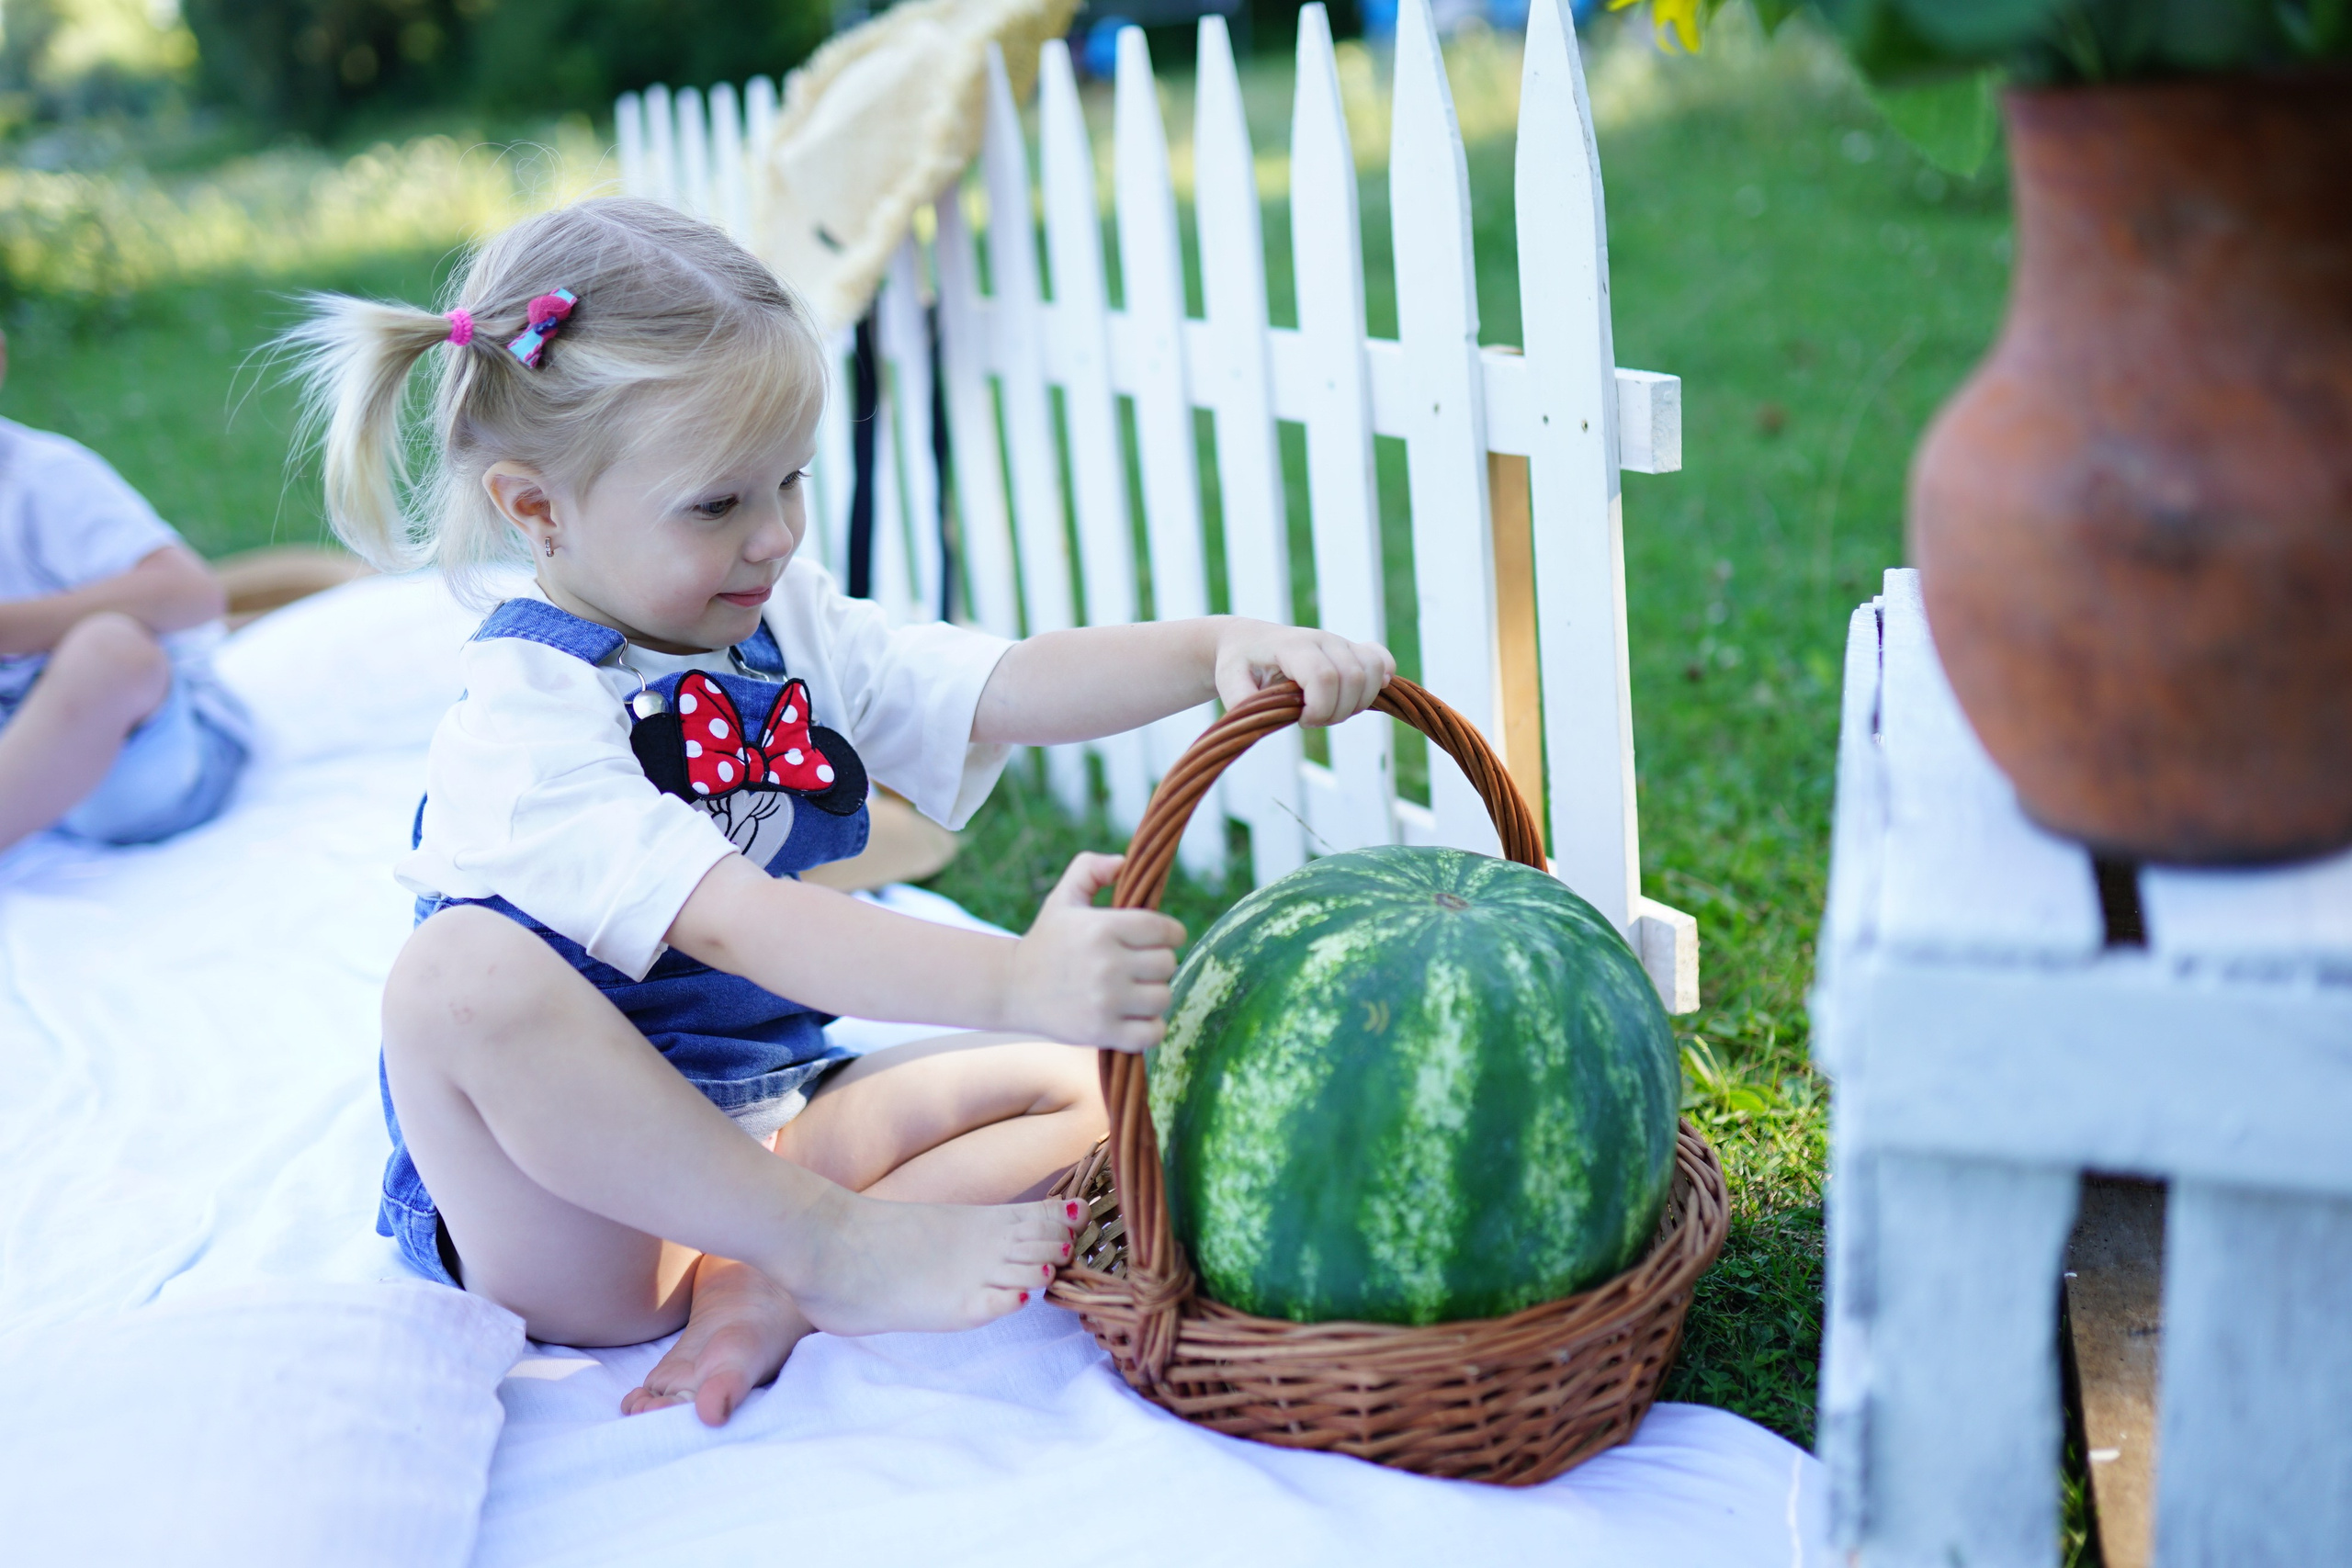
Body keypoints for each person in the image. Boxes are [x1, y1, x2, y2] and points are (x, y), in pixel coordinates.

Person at [286, 197, 1394, 1427]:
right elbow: (741, 922)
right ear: (536, 508)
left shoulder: (780, 617)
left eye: (791, 480)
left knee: (1111, 1078)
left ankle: (768, 1283)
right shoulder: (527, 720)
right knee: (454, 976)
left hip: (772, 1112)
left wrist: (1215, 648)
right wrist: (1016, 978)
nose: (774, 535)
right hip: (587, 1225)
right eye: (717, 505)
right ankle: (827, 1238)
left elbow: (1003, 682)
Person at [0, 329, 250, 859]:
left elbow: (193, 594)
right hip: (27, 779)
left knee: (111, 648)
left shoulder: (38, 477)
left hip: (144, 762)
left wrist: (12, 628)